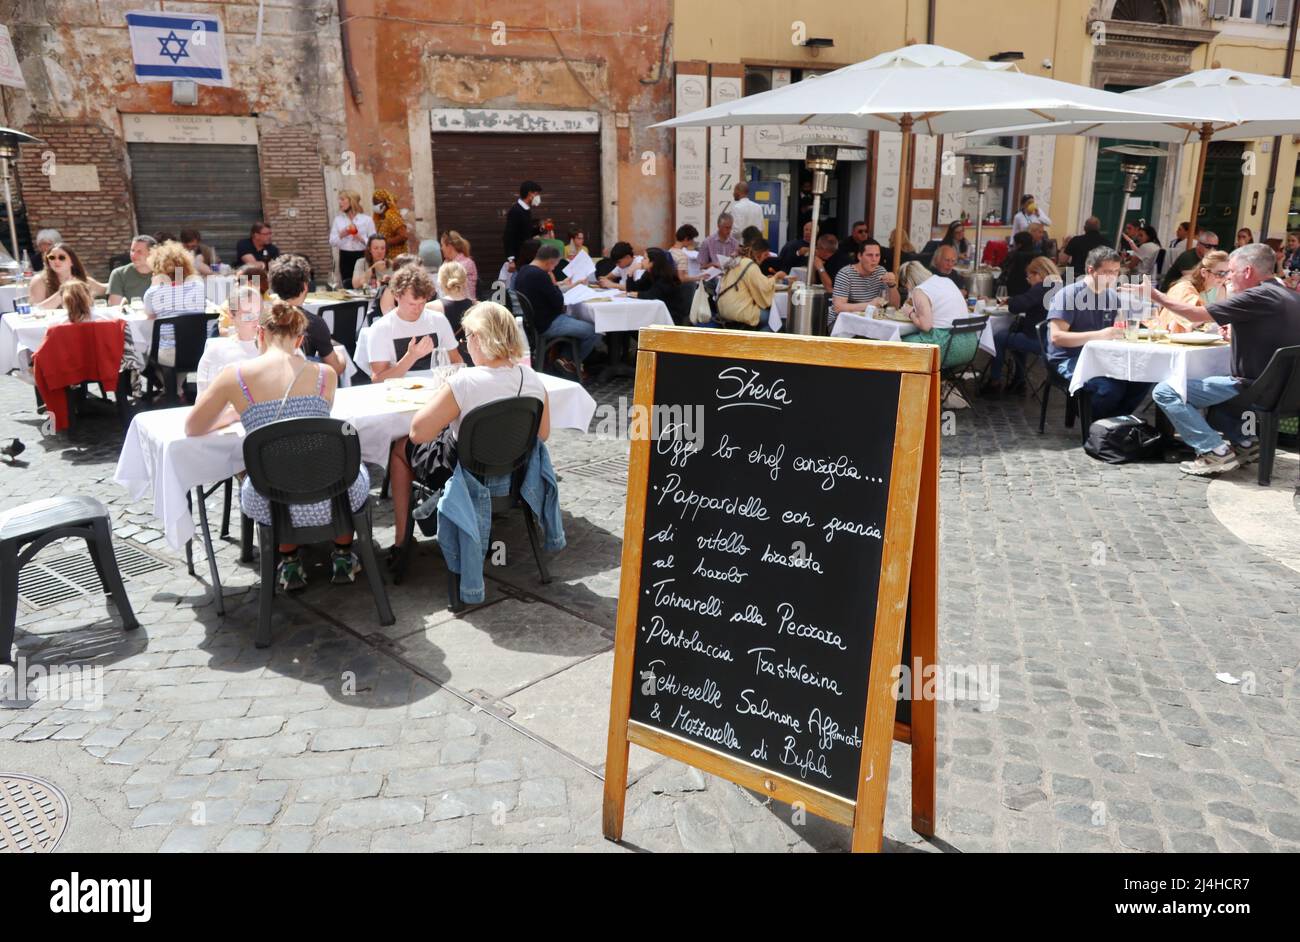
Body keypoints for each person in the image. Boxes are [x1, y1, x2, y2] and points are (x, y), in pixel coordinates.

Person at [185, 300, 368, 588]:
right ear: (299, 339)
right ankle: (344, 554)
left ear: (260, 333)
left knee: (274, 471)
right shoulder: (326, 375)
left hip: (271, 500)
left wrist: (232, 414)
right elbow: (311, 428)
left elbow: (193, 426)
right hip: (333, 498)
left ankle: (290, 560)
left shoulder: (235, 376)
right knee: (338, 467)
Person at [386, 301, 551, 555]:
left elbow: (418, 434)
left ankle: (401, 541)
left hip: (464, 474)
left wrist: (441, 397)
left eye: (467, 337)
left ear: (480, 338)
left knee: (399, 448)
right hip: (513, 473)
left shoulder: (464, 381)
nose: (465, 344)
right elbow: (543, 435)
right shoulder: (533, 379)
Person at [1139, 243, 1300, 476]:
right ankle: (1246, 444)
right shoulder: (1290, 295)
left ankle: (1215, 451)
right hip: (1288, 391)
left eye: (1230, 272)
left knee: (1166, 391)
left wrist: (1155, 296)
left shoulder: (1257, 295)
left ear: (1247, 272)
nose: (1227, 279)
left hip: (1256, 389)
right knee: (1217, 389)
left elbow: (1195, 315)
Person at [1044, 246, 1148, 421]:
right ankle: (1092, 418)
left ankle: (1113, 422)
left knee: (1142, 378)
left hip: (1101, 357)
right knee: (1110, 388)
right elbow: (1057, 338)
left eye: (1116, 272)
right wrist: (1101, 334)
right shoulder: (1069, 295)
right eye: (1107, 272)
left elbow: (1114, 331)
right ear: (1091, 270)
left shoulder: (1112, 296)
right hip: (1068, 358)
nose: (1113, 277)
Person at [366, 265, 459, 381]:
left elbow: (457, 362)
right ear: (396, 296)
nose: (417, 309)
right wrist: (411, 357)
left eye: (422, 303)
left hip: (437, 389)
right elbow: (377, 379)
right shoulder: (380, 328)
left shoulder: (438, 320)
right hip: (398, 394)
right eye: (412, 304)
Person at [516, 243, 594, 373]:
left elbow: (548, 291)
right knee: (593, 330)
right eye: (555, 265)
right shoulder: (541, 275)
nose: (554, 268)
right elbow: (558, 302)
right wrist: (555, 283)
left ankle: (563, 360)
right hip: (547, 324)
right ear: (549, 262)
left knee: (577, 321)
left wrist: (567, 285)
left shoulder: (524, 270)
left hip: (534, 322)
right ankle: (568, 361)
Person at [268, 254, 345, 376]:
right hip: (301, 384)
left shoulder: (263, 318)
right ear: (305, 286)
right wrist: (342, 356)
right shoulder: (314, 323)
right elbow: (335, 369)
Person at [994, 256, 1061, 391]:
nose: (1029, 281)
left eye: (1029, 277)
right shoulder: (1059, 286)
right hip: (1055, 341)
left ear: (1038, 274)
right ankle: (1019, 380)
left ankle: (994, 380)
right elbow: (1028, 300)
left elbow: (1018, 306)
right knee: (1018, 336)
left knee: (998, 337)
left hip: (1039, 341)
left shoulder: (1042, 287)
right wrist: (1012, 300)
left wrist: (1011, 302)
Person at [897, 260, 978, 368]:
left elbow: (926, 326)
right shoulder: (946, 280)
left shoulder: (920, 290)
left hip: (947, 348)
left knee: (898, 343)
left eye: (904, 285)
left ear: (908, 281)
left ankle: (914, 382)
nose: (906, 288)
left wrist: (910, 313)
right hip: (969, 345)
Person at [197, 285, 262, 396]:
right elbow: (205, 397)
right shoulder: (217, 351)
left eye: (258, 313)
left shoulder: (271, 348)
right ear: (231, 315)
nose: (256, 320)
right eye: (249, 315)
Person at [715, 239, 787, 330]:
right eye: (765, 254)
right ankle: (757, 342)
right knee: (774, 321)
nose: (766, 258)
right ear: (759, 254)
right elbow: (764, 287)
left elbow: (752, 282)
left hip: (723, 308)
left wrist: (766, 279)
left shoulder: (739, 261)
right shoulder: (750, 265)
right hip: (738, 310)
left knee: (770, 319)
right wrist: (776, 277)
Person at [831, 241, 900, 330]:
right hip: (843, 323)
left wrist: (892, 285)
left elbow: (895, 306)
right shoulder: (845, 274)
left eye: (877, 255)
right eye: (870, 255)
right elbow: (838, 307)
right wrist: (870, 305)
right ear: (860, 256)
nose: (874, 259)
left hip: (869, 322)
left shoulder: (881, 272)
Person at [1159, 250, 1229, 332]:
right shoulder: (1184, 288)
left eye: (1227, 273)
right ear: (1204, 272)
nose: (1225, 278)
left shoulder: (1221, 289)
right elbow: (1187, 321)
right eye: (1220, 274)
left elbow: (1221, 319)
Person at [30, 243, 106, 309]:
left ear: (72, 261)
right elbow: (35, 310)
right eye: (52, 257)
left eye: (61, 257)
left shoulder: (82, 280)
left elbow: (106, 289)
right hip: (52, 324)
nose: (56, 261)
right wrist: (61, 293)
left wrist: (116, 275)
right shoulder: (40, 280)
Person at [428, 261, 476, 363]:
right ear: (465, 281)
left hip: (445, 363)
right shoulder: (479, 307)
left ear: (440, 282)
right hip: (474, 361)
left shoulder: (430, 308)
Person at [629, 247, 688, 325]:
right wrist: (630, 273)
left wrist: (633, 294)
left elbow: (653, 295)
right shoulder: (649, 273)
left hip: (670, 316)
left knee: (632, 323)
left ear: (652, 262)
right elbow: (633, 288)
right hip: (655, 313)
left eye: (644, 258)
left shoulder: (667, 277)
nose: (641, 261)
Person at [330, 190, 375, 284]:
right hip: (345, 257)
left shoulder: (366, 220)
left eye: (342, 199)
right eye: (339, 200)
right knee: (347, 284)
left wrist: (361, 238)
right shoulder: (338, 220)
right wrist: (341, 235)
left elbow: (374, 242)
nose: (339, 202)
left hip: (362, 256)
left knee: (363, 284)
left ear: (351, 201)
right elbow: (332, 242)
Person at [107, 235, 157, 305]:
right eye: (132, 250)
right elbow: (115, 307)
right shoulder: (118, 274)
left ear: (152, 253)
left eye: (139, 252)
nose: (133, 255)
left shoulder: (165, 271)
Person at [503, 180, 543, 261]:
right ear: (530, 194)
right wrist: (511, 259)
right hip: (519, 257)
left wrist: (540, 228)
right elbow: (508, 236)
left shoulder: (526, 210)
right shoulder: (516, 210)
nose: (538, 197)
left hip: (527, 256)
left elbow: (526, 233)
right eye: (537, 194)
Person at [439, 230, 478, 300]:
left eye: (442, 245)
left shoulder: (467, 263)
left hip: (466, 306)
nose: (441, 248)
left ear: (449, 246)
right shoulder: (447, 263)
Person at [998, 231, 1038, 299]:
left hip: (1012, 293)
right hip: (1032, 292)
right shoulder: (1038, 256)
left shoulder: (1013, 255)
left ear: (1019, 245)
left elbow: (1003, 270)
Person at [372, 189, 409, 258]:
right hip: (386, 257)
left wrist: (385, 242)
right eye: (373, 203)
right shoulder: (379, 218)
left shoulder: (392, 215)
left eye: (377, 203)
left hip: (396, 257)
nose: (374, 205)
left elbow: (403, 236)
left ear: (385, 203)